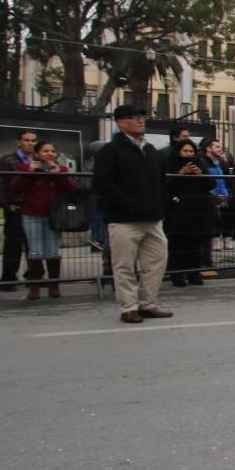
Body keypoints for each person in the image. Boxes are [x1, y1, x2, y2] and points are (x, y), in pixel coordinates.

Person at [94, 106, 173, 324]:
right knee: (124, 265)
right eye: (134, 117)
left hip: (153, 218)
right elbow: (104, 185)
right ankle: (129, 307)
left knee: (156, 262)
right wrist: (128, 205)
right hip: (123, 219)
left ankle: (148, 303)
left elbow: (162, 182)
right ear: (120, 122)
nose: (140, 121)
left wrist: (160, 205)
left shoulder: (151, 151)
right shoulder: (109, 151)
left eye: (141, 117)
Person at [9, 141, 76, 299]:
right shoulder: (25, 168)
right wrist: (30, 173)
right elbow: (14, 187)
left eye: (52, 151)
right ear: (37, 153)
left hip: (54, 214)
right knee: (35, 250)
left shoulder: (62, 168)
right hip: (32, 213)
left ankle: (54, 285)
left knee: (52, 250)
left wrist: (59, 174)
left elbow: (71, 189)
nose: (50, 154)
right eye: (45, 151)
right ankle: (34, 286)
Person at [163, 140, 214, 287]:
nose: (188, 155)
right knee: (178, 245)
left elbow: (211, 184)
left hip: (198, 210)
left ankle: (194, 274)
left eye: (191, 151)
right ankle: (177, 275)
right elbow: (166, 185)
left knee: (195, 245)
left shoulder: (200, 163)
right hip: (178, 210)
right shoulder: (170, 164)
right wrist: (180, 173)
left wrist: (201, 175)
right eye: (185, 151)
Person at [0, 130, 36, 291]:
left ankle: (33, 275)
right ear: (19, 142)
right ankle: (8, 278)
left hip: (32, 206)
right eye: (26, 140)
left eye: (33, 140)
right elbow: (0, 183)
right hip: (15, 206)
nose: (30, 143)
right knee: (13, 244)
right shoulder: (8, 160)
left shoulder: (37, 159)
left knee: (33, 243)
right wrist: (5, 204)